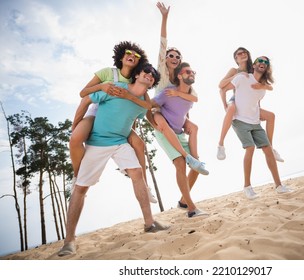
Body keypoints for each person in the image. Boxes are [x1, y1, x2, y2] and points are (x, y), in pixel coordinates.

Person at [58, 64, 169, 257]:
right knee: (81, 188)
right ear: (136, 75)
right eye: (147, 72)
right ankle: (69, 241)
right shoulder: (115, 88)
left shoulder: (143, 100)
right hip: (97, 143)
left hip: (120, 142)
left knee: (137, 173)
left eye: (153, 76)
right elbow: (85, 100)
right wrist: (75, 127)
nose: (150, 75)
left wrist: (158, 124)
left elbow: (146, 113)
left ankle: (150, 223)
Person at [69, 41, 157, 203]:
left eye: (136, 56)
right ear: (121, 56)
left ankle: (145, 185)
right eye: (129, 53)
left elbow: (146, 104)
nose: (132, 56)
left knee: (139, 144)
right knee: (75, 138)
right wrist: (102, 86)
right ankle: (77, 177)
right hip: (98, 112)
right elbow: (83, 94)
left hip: (121, 122)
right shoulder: (107, 73)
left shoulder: (138, 79)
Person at [220, 56, 293, 200]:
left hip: (254, 121)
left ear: (267, 68)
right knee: (250, 148)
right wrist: (225, 107)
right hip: (239, 120)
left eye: (266, 62)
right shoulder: (243, 78)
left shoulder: (264, 86)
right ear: (253, 65)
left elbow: (255, 102)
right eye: (260, 61)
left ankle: (279, 186)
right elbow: (222, 89)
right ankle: (247, 187)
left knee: (268, 150)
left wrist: (265, 86)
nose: (263, 63)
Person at [153, 2, 208, 176]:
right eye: (171, 55)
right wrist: (164, 18)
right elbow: (163, 44)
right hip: (159, 109)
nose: (174, 58)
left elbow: (190, 98)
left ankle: (195, 158)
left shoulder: (180, 78)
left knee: (194, 127)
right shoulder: (161, 71)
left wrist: (178, 95)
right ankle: (187, 157)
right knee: (178, 159)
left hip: (175, 114)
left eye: (177, 56)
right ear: (165, 58)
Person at [148, 62, 208, 217]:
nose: (191, 74)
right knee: (180, 164)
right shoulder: (168, 92)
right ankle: (191, 209)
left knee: (196, 169)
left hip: (180, 132)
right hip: (165, 132)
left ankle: (183, 201)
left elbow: (185, 110)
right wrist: (154, 123)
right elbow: (148, 106)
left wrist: (187, 122)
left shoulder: (190, 96)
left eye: (193, 71)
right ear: (180, 75)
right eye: (187, 71)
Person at [217, 47, 284, 163]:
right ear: (236, 58)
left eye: (245, 52)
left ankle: (271, 148)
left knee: (271, 116)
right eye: (240, 53)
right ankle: (221, 144)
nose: (243, 54)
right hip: (235, 99)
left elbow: (268, 87)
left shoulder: (253, 69)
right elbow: (221, 86)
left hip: (250, 104)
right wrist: (225, 106)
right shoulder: (234, 70)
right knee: (231, 108)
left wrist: (262, 87)